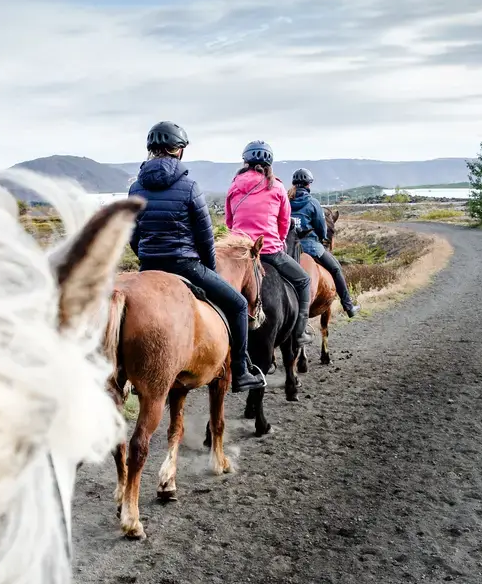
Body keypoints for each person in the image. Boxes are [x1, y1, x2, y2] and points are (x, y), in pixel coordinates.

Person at [128, 121, 265, 393]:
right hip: (185, 265)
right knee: (238, 304)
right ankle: (239, 371)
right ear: (178, 151)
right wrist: (209, 270)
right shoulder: (190, 186)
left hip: (148, 266)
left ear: (151, 150)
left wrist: (146, 259)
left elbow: (132, 235)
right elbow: (204, 238)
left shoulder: (135, 188)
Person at [225, 141, 313, 347]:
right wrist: (279, 241)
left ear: (245, 162)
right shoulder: (278, 187)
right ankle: (299, 332)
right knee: (303, 281)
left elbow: (229, 222)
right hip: (269, 251)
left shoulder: (233, 186)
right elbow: (284, 223)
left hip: (240, 253)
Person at [289, 168, 360, 317]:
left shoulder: (285, 201)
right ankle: (348, 306)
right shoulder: (313, 203)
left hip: (288, 247)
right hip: (311, 247)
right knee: (336, 269)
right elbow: (322, 229)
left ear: (294, 184)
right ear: (308, 184)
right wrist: (321, 238)